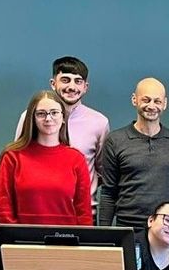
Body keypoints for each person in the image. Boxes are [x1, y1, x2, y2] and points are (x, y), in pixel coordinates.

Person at [14, 56, 109, 211]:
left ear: (85, 87)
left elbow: (103, 170)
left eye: (78, 81)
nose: (72, 87)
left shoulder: (99, 123)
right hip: (38, 211)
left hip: (82, 213)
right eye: (65, 80)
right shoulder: (30, 117)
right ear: (53, 83)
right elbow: (18, 163)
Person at [99, 78, 169, 229]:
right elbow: (108, 192)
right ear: (134, 99)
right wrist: (104, 232)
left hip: (165, 228)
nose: (151, 106)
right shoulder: (115, 140)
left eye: (157, 101)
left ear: (165, 104)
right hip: (127, 227)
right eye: (146, 100)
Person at [0, 91, 91, 226]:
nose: (48, 118)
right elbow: (4, 208)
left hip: (66, 237)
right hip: (22, 237)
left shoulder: (76, 159)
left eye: (54, 112)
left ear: (63, 117)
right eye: (41, 114)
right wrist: (16, 235)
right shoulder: (12, 157)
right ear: (32, 118)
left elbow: (84, 212)